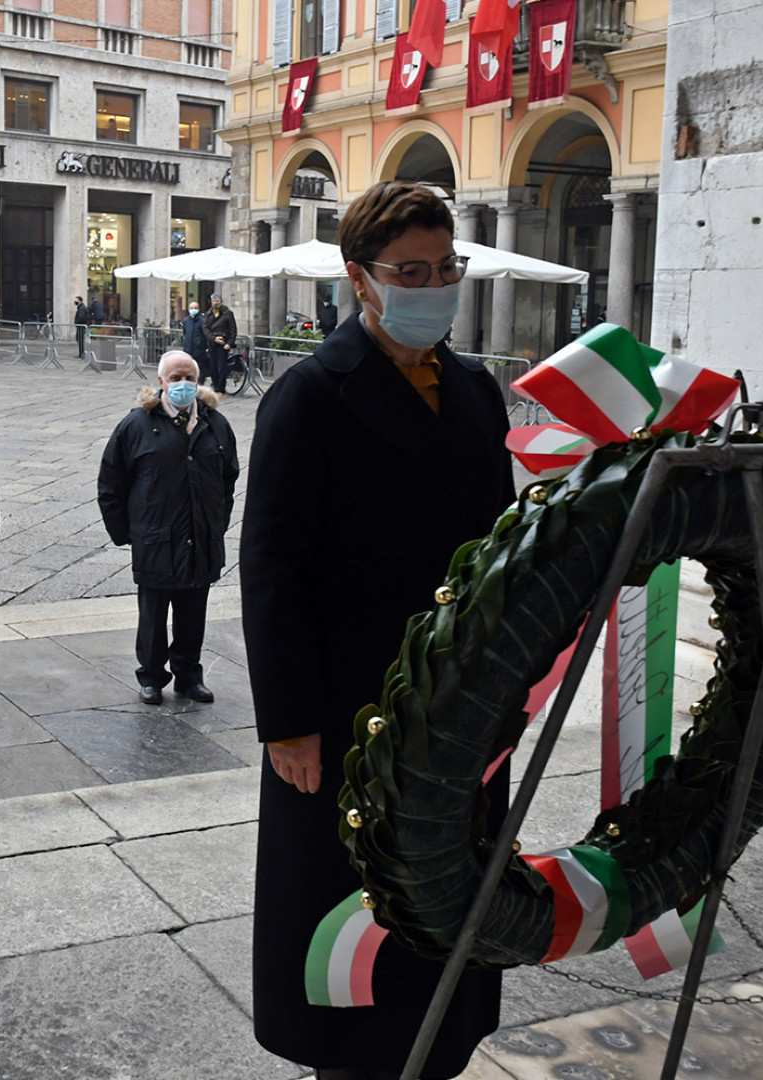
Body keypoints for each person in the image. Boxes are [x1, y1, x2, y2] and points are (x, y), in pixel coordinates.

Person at [239, 181, 512, 1080]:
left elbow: (501, 555)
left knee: (448, 915)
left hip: (463, 712)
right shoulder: (309, 397)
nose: (432, 285)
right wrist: (287, 721)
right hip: (349, 715)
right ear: (361, 278)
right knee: (350, 923)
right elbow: (272, 569)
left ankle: (443, 1051)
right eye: (411, 271)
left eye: (445, 268)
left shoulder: (476, 392)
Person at [98, 350, 239, 706]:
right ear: (161, 382)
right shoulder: (137, 425)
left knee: (194, 613)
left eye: (189, 377)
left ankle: (189, 675)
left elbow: (228, 480)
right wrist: (126, 533)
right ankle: (151, 676)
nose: (183, 384)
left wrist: (216, 524)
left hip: (201, 537)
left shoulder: (215, 424)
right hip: (156, 538)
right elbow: (111, 482)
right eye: (175, 378)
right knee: (153, 616)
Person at [203, 293, 237, 393]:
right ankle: (215, 386)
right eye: (214, 301)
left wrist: (229, 343)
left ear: (221, 302)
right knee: (212, 368)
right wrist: (213, 338)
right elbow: (205, 328)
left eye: (217, 301)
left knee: (221, 367)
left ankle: (221, 389)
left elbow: (233, 330)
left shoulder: (227, 313)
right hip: (212, 344)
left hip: (223, 344)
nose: (215, 303)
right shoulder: (208, 314)